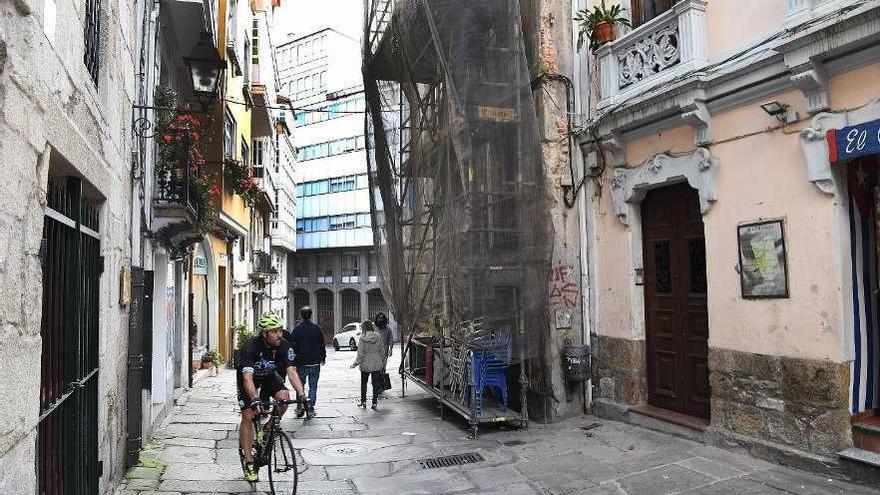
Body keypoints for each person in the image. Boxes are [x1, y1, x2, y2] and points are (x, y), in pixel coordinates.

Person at [237, 313, 308, 482]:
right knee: (248, 415)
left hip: (268, 375)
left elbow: (291, 371)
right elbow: (247, 378)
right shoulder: (251, 347)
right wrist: (254, 399)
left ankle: (268, 428)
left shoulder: (284, 345)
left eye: (280, 330)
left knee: (284, 397)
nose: (279, 335)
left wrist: (302, 394)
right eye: (274, 331)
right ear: (264, 333)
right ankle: (249, 462)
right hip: (248, 378)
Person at [289, 306, 326, 419]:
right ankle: (310, 408)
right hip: (315, 362)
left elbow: (292, 346)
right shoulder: (317, 328)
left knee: (299, 385)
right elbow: (322, 344)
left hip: (301, 363)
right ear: (311, 315)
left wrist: (292, 361)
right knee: (313, 386)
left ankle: (300, 406)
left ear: (301, 316)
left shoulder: (296, 330)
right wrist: (323, 357)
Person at [350, 319, 388, 410]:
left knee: (364, 384)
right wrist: (384, 362)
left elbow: (361, 353)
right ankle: (374, 403)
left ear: (363, 327)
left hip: (365, 365)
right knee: (376, 384)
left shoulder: (362, 338)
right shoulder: (378, 336)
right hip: (376, 364)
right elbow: (382, 351)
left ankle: (363, 402)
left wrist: (356, 363)